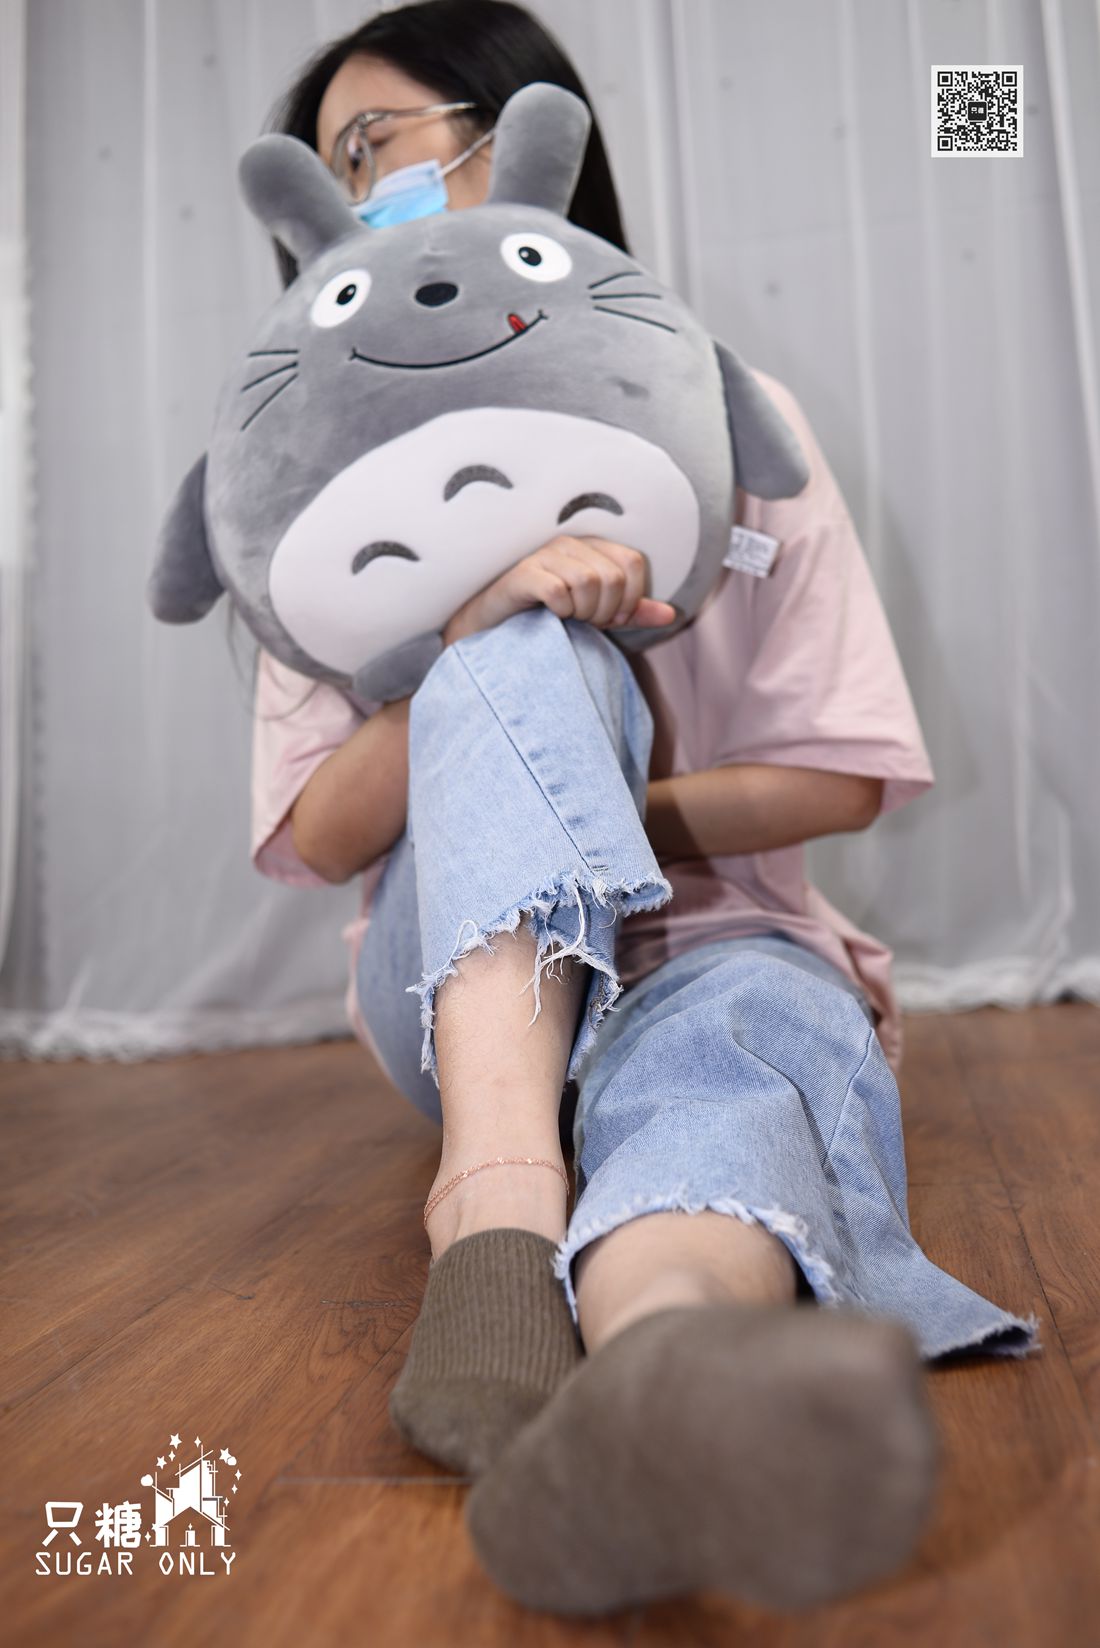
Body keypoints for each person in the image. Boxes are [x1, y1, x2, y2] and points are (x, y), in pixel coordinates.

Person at [249, 0, 1041, 1618]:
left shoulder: (722, 414)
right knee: (531, 644)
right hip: (450, 979)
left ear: (525, 139)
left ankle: (663, 1373)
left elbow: (841, 772)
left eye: (388, 139)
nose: (374, 183)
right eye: (341, 163)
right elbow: (319, 833)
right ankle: (494, 1201)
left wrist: (603, 814)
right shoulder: (320, 473)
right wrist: (481, 638)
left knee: (741, 1046)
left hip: (715, 939)